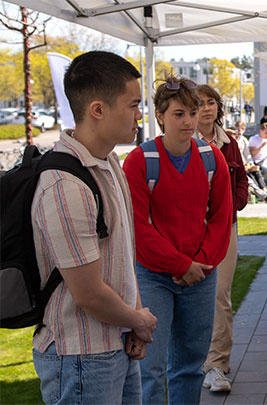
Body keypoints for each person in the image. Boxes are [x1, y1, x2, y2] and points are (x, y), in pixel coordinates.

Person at [30, 50, 157, 405]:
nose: (139, 115)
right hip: (81, 356)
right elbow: (87, 293)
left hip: (114, 340)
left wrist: (133, 319)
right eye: (132, 105)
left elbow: (120, 256)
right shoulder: (64, 185)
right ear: (98, 109)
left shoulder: (109, 162)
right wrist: (138, 320)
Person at [122, 75, 233, 405]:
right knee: (150, 368)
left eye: (192, 112)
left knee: (189, 366)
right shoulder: (141, 161)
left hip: (201, 275)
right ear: (160, 116)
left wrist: (201, 264)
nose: (188, 121)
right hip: (154, 275)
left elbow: (221, 219)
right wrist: (181, 264)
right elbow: (138, 228)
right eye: (178, 114)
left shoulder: (212, 158)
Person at [195, 84, 249, 392]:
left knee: (220, 295)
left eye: (211, 102)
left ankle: (217, 364)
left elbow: (241, 177)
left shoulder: (229, 142)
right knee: (193, 297)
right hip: (192, 230)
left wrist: (236, 201)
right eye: (200, 103)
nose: (206, 108)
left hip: (226, 227)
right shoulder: (183, 140)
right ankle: (195, 360)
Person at [235, 122, 267, 203]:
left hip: (246, 164)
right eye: (237, 129)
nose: (239, 131)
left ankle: (265, 192)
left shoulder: (244, 140)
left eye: (241, 129)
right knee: (250, 180)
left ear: (244, 130)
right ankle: (266, 196)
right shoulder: (233, 141)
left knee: (256, 172)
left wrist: (250, 163)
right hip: (238, 167)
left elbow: (247, 154)